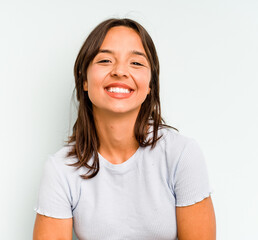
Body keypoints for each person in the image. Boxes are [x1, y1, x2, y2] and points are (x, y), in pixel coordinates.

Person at [33, 18, 216, 240]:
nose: (120, 71)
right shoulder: (61, 170)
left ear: (150, 85)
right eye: (105, 60)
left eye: (136, 63)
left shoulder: (181, 155)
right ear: (84, 80)